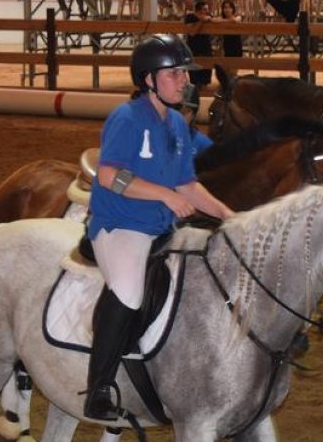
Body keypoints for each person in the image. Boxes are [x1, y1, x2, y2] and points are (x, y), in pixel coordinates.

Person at [84, 34, 234, 422]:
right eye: (174, 74)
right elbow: (108, 175)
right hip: (120, 225)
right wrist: (163, 196)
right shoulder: (127, 118)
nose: (183, 80)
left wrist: (227, 215)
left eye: (184, 73)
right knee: (130, 292)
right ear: (148, 79)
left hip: (161, 229)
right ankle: (99, 388)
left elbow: (187, 185)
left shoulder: (177, 126)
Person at [183, 0, 214, 88]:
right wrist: (201, 21)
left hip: (206, 47)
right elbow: (192, 32)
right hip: (194, 47)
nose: (207, 11)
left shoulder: (209, 16)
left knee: (206, 70)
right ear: (198, 10)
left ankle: (204, 86)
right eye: (205, 9)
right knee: (195, 73)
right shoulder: (190, 17)